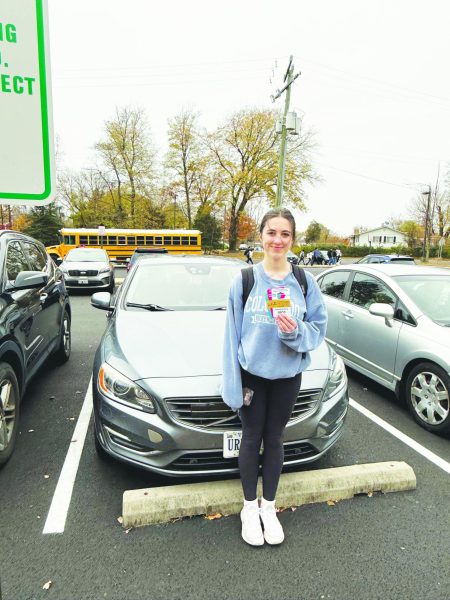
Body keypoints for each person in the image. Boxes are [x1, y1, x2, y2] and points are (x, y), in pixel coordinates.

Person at [222, 208, 327, 546]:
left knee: (276, 438)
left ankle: (269, 507)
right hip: (253, 375)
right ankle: (249, 508)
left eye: (284, 234)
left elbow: (318, 328)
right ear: (261, 236)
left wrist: (295, 332)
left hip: (286, 376)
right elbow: (231, 335)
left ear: (292, 240)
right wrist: (232, 385)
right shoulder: (245, 280)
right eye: (271, 232)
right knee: (252, 438)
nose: (277, 240)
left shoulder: (303, 281)